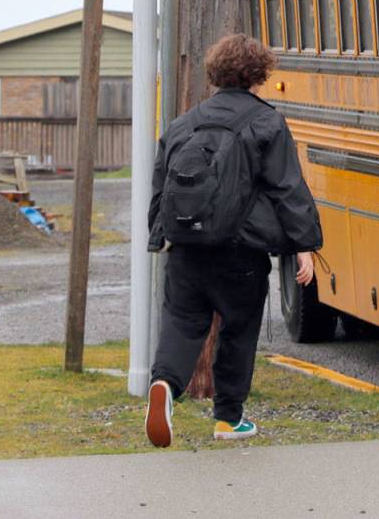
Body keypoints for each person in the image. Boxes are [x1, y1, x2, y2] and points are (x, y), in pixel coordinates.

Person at [144, 33, 323, 447]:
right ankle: (228, 418)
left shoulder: (182, 124)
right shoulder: (267, 122)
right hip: (241, 252)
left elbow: (160, 188)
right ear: (259, 74)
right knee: (238, 331)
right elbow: (287, 188)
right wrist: (304, 246)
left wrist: (161, 236)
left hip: (186, 250)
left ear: (215, 73)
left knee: (182, 323)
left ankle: (164, 385)